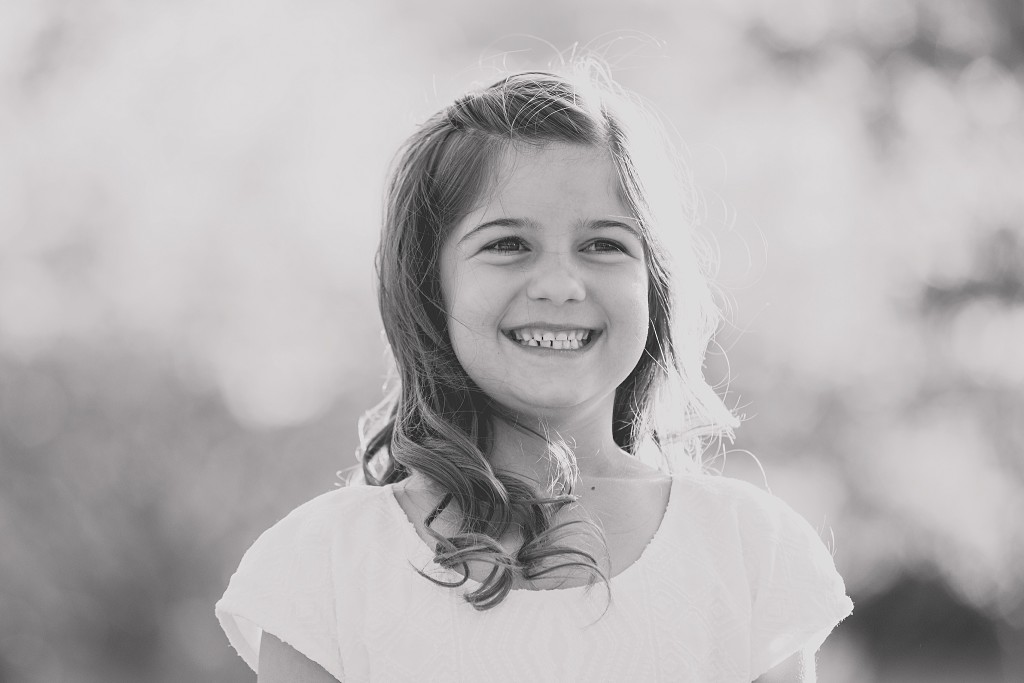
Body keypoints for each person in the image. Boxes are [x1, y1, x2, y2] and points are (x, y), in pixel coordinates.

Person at [215, 63, 853, 682]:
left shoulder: (747, 552)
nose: (559, 284)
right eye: (507, 244)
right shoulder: (325, 565)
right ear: (429, 285)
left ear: (654, 285)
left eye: (603, 244)